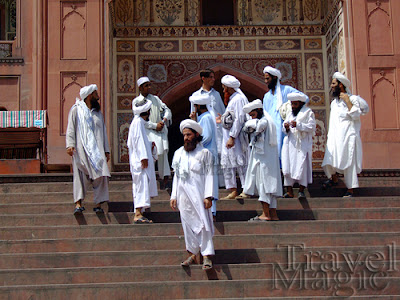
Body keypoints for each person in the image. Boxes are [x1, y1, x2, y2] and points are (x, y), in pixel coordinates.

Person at [170, 119, 215, 270]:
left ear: (196, 135)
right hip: (183, 197)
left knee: (203, 224)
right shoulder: (178, 154)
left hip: (199, 195)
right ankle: (192, 254)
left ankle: (207, 256)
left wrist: (208, 196)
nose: (186, 138)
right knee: (187, 225)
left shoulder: (205, 153)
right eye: (184, 135)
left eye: (189, 135)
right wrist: (173, 196)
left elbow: (210, 175)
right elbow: (176, 176)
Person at [66, 84, 111, 215]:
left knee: (101, 175)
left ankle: (98, 204)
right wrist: (70, 145)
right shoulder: (76, 110)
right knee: (80, 175)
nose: (98, 96)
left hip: (97, 151)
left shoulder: (98, 113)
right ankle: (78, 203)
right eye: (96, 93)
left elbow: (103, 131)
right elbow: (71, 128)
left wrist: (106, 149)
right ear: (90, 96)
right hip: (81, 149)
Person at [322, 72, 367, 197]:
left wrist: (348, 101)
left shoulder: (352, 99)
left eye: (333, 83)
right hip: (335, 136)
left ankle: (351, 189)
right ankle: (334, 179)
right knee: (329, 159)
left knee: (349, 161)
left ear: (341, 85)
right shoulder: (334, 103)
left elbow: (356, 115)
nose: (331, 86)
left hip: (348, 136)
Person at [242, 100, 282, 221]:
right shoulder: (268, 121)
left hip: (263, 160)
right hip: (267, 159)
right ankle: (273, 214)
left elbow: (255, 128)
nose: (252, 118)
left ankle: (266, 214)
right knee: (270, 187)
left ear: (259, 111)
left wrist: (250, 124)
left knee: (263, 185)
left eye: (253, 115)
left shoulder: (264, 121)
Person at [133, 77, 172, 186]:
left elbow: (167, 110)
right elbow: (140, 119)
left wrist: (163, 121)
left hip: (159, 130)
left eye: (150, 85)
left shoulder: (155, 99)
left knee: (163, 153)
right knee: (150, 154)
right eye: (146, 86)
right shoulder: (136, 102)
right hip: (147, 132)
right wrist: (155, 126)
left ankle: (164, 178)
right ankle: (149, 178)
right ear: (140, 88)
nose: (149, 88)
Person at [263, 66, 308, 157]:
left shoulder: (286, 90)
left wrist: (291, 110)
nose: (266, 81)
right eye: (265, 79)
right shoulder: (266, 96)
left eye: (268, 78)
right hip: (271, 129)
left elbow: (305, 99)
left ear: (275, 77)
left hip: (284, 127)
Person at [218, 75, 249, 200]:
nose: (223, 89)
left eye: (224, 86)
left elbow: (239, 119)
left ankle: (246, 189)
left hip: (236, 138)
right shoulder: (233, 99)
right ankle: (233, 190)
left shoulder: (238, 99)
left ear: (228, 87)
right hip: (229, 137)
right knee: (229, 163)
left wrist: (232, 136)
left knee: (241, 163)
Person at [127, 98, 158, 223]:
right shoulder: (138, 122)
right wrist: (143, 157)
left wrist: (149, 145)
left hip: (138, 161)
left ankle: (140, 213)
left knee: (141, 186)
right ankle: (138, 214)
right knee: (141, 186)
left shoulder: (137, 122)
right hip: (140, 162)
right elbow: (138, 141)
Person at [281, 92, 316, 200]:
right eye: (292, 104)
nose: (293, 106)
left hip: (302, 144)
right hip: (290, 143)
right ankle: (289, 191)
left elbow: (311, 127)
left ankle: (301, 191)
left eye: (295, 104)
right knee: (287, 166)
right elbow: (284, 128)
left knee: (301, 166)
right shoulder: (290, 114)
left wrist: (298, 125)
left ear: (300, 104)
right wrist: (286, 127)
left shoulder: (308, 113)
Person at [189, 94, 219, 219]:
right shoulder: (203, 117)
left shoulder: (206, 118)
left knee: (208, 183)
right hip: (204, 155)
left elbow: (206, 137)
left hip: (207, 154)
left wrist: (195, 141)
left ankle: (211, 211)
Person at [190, 69, 225, 154]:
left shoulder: (216, 94)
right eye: (211, 77)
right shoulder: (196, 96)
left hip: (218, 132)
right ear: (203, 78)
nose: (213, 79)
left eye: (214, 77)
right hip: (204, 131)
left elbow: (223, 112)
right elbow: (193, 116)